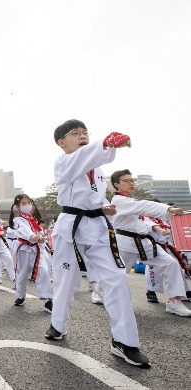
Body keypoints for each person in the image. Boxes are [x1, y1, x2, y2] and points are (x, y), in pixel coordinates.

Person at [46, 119, 151, 368]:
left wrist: (104, 206)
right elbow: (86, 158)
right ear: (62, 143)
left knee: (117, 279)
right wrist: (105, 143)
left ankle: (124, 341)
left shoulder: (97, 169)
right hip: (71, 226)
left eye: (85, 133)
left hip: (98, 226)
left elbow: (92, 194)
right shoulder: (64, 162)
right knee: (66, 281)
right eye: (75, 133)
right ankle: (57, 324)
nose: (82, 136)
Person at [109, 170, 190, 316]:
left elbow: (143, 220)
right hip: (125, 243)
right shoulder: (119, 201)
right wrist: (168, 208)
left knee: (170, 263)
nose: (131, 183)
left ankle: (173, 300)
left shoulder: (130, 201)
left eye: (132, 180)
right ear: (116, 184)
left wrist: (158, 227)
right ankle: (107, 297)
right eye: (126, 180)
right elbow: (144, 206)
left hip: (143, 241)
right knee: (118, 274)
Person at [8, 194, 53, 312]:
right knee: (22, 275)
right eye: (23, 203)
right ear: (18, 206)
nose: (27, 205)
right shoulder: (17, 220)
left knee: (43, 271)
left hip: (36, 249)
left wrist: (41, 236)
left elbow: (39, 230)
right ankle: (20, 296)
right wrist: (33, 236)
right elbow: (24, 230)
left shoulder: (33, 219)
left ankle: (48, 300)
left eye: (28, 202)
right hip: (23, 249)